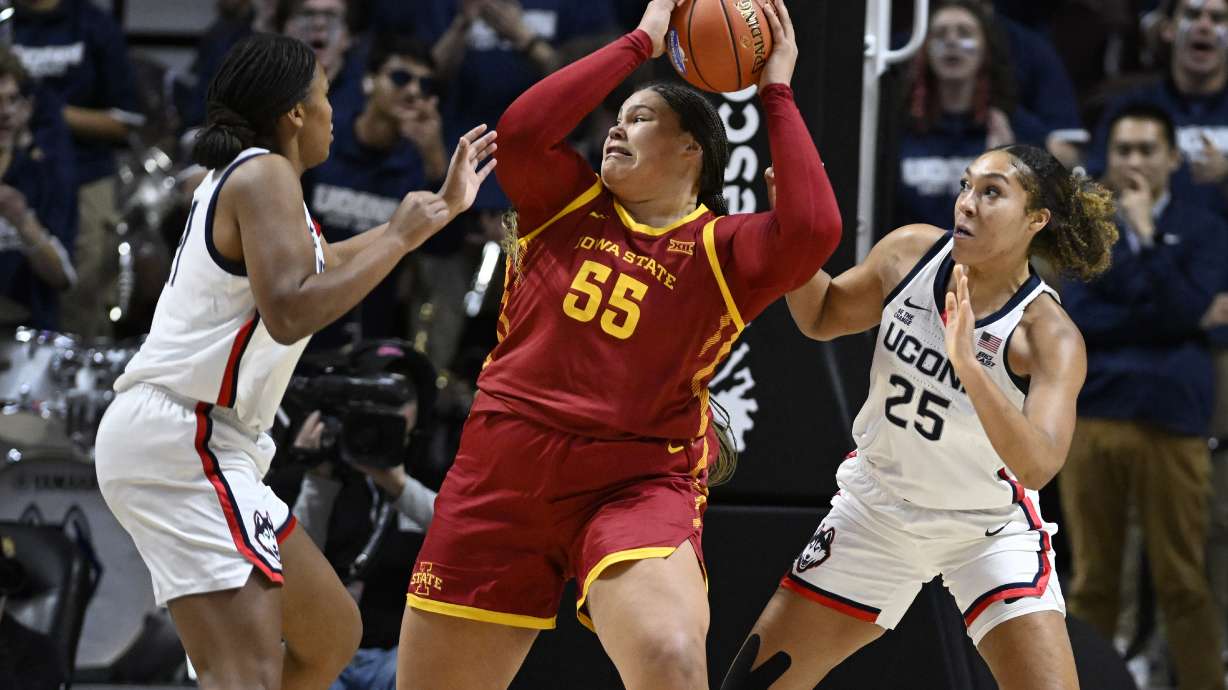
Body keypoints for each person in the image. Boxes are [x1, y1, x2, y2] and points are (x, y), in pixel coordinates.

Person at [397, 1, 843, 688]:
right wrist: (640, 41)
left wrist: (776, 89)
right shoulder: (564, 198)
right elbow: (522, 131)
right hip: (503, 465)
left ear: (692, 150)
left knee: (667, 654)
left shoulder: (724, 249)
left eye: (641, 118)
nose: (614, 129)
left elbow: (814, 229)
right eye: (617, 115)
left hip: (633, 479)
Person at [92, 33, 496, 690]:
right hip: (184, 436)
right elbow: (290, 309)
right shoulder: (263, 172)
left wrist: (436, 214)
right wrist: (397, 236)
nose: (335, 113)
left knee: (331, 634)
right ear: (295, 113)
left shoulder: (259, 185)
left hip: (204, 441)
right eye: (327, 97)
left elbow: (331, 264)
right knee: (244, 673)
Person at [721, 143, 1118, 689]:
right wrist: (793, 239)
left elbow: (1039, 465)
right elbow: (823, 314)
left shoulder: (1047, 334)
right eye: (965, 186)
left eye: (992, 193)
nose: (967, 204)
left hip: (985, 529)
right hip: (877, 511)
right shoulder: (909, 253)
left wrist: (969, 365)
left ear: (1036, 220)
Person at [1060, 102, 1228, 690]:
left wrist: (1146, 237)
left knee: (1183, 580)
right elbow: (1079, 318)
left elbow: (1186, 306)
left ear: (1173, 159)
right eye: (1123, 149)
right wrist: (1171, 309)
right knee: (1093, 581)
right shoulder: (1085, 227)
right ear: (1109, 157)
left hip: (1173, 417)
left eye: (1146, 150)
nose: (1133, 161)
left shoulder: (1206, 225)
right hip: (1095, 415)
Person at [302, 33, 448, 349]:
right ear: (369, 81)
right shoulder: (323, 140)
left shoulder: (421, 162)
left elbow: (443, 249)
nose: (413, 91)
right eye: (400, 78)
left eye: (424, 85)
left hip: (373, 329)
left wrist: (436, 162)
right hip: (302, 316)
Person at [11, 0, 141, 338]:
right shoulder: (6, 20)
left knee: (82, 291)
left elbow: (126, 121)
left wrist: (49, 112)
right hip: (13, 174)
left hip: (85, 175)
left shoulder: (94, 25)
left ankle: (73, 381)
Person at [895, 0, 1047, 229]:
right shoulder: (896, 126)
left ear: (986, 49)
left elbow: (1037, 220)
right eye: (939, 35)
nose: (951, 41)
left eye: (964, 33)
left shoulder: (1020, 129)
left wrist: (1009, 171)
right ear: (923, 50)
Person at [0, 47, 76, 331]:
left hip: (28, 341)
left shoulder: (45, 175)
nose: (5, 112)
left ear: (26, 108)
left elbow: (63, 277)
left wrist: (22, 221)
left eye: (12, 100)